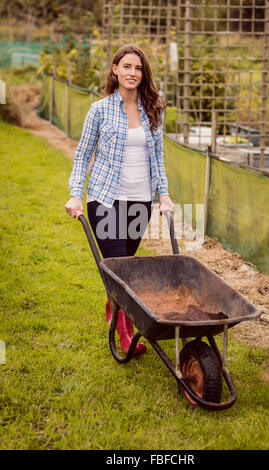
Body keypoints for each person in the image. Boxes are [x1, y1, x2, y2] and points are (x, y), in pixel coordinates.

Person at [65, 44, 174, 357]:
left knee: (121, 267)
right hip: (105, 200)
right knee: (122, 272)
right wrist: (76, 193)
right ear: (114, 69)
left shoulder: (154, 108)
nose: (132, 73)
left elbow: (157, 155)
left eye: (138, 68)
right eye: (126, 66)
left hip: (140, 202)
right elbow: (83, 154)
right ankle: (126, 337)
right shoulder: (100, 110)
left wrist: (163, 193)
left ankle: (113, 306)